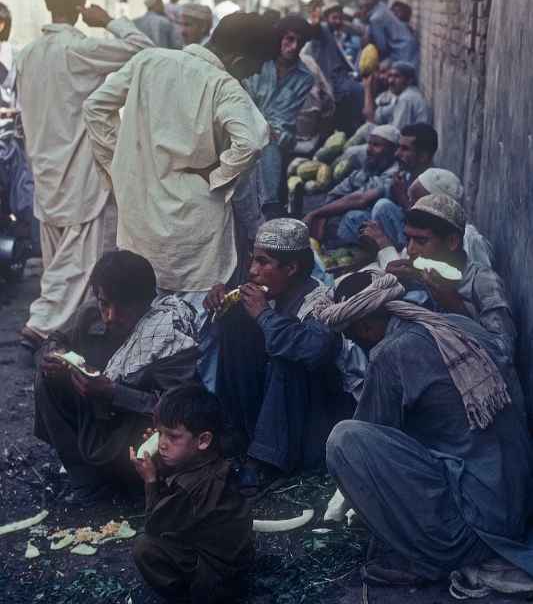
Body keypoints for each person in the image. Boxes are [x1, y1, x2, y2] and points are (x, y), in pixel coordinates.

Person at [322, 271, 533, 588]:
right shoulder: (456, 323)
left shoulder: (390, 353)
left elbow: (369, 438)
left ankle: (425, 559)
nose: (358, 344)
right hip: (520, 506)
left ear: (366, 326)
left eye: (353, 337)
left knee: (344, 441)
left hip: (475, 530)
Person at [83, 12, 277, 312]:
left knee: (142, 323)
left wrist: (120, 163)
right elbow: (251, 142)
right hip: (195, 236)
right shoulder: (224, 85)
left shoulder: (147, 61)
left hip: (141, 223)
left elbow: (95, 107)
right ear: (238, 61)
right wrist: (216, 174)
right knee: (197, 331)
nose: (250, 77)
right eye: (253, 69)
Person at [16, 0, 153, 350]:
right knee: (76, 261)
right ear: (80, 5)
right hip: (78, 170)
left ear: (47, 4)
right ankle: (41, 325)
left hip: (43, 167)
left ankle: (60, 332)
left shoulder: (26, 54)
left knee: (59, 262)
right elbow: (143, 48)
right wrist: (108, 20)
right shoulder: (78, 49)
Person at [34, 250, 199, 504]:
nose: (110, 316)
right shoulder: (92, 313)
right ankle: (87, 483)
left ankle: (138, 487)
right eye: (104, 304)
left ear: (144, 301)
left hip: (137, 432)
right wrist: (51, 353)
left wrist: (113, 393)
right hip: (98, 423)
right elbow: (58, 338)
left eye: (122, 307)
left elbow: (179, 408)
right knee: (46, 378)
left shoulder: (168, 334)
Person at [203, 219, 350, 485]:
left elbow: (313, 351)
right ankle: (236, 435)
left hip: (319, 420)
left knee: (289, 357)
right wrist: (221, 303)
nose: (252, 271)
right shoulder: (273, 292)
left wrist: (264, 316)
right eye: (253, 261)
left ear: (291, 268)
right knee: (236, 325)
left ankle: (265, 461)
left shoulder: (320, 301)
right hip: (281, 415)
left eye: (262, 262)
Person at [131, 383, 253, 604]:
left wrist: (150, 480)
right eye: (159, 434)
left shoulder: (191, 488)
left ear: (203, 440)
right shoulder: (214, 462)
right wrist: (170, 448)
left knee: (145, 547)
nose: (162, 444)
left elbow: (154, 526)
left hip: (217, 581)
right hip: (234, 562)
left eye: (173, 436)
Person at [385, 194, 517, 359]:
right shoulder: (421, 273)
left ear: (452, 242)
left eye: (421, 241)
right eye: (408, 239)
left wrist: (456, 306)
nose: (410, 250)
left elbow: (503, 351)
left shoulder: (483, 281)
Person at [244, 15, 314, 219]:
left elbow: (283, 117)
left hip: (278, 140)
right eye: (289, 39)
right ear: (280, 38)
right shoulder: (259, 64)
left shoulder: (305, 78)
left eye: (299, 43)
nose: (293, 47)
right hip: (247, 128)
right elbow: (245, 99)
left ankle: (271, 208)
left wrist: (263, 127)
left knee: (270, 148)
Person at [303, 125, 400, 252]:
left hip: (382, 231)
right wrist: (323, 215)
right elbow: (337, 192)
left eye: (376, 145)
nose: (369, 150)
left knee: (353, 216)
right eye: (369, 144)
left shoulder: (394, 175)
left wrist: (318, 213)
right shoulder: (367, 169)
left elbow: (360, 199)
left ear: (392, 150)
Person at [359, 124, 438, 251]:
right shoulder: (404, 174)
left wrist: (403, 199)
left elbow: (429, 230)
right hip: (403, 233)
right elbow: (363, 197)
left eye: (405, 149)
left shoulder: (434, 185)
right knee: (356, 217)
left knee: (382, 206)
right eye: (398, 147)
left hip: (419, 249)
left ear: (423, 156)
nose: (397, 153)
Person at [305, 3, 363, 136]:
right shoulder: (323, 30)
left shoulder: (338, 32)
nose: (338, 21)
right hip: (327, 80)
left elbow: (359, 31)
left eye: (340, 18)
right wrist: (316, 21)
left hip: (341, 78)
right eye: (334, 18)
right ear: (326, 19)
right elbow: (315, 29)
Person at [358, 0, 420, 69]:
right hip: (408, 46)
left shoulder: (375, 19)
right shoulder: (382, 7)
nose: (362, 6)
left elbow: (382, 48)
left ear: (368, 1)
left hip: (402, 52)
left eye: (363, 1)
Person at [364, 60, 431, 131]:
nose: (391, 81)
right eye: (390, 76)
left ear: (409, 80)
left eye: (396, 76)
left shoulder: (406, 98)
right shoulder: (402, 95)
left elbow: (397, 132)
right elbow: (376, 116)